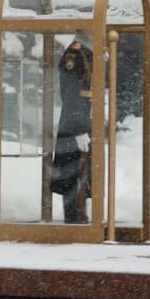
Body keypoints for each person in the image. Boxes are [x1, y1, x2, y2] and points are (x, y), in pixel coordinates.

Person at [49, 38, 92, 223]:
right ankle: (73, 216)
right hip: (75, 123)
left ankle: (79, 214)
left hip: (84, 120)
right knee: (72, 171)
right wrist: (78, 129)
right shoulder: (76, 53)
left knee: (82, 172)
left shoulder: (87, 50)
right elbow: (72, 95)